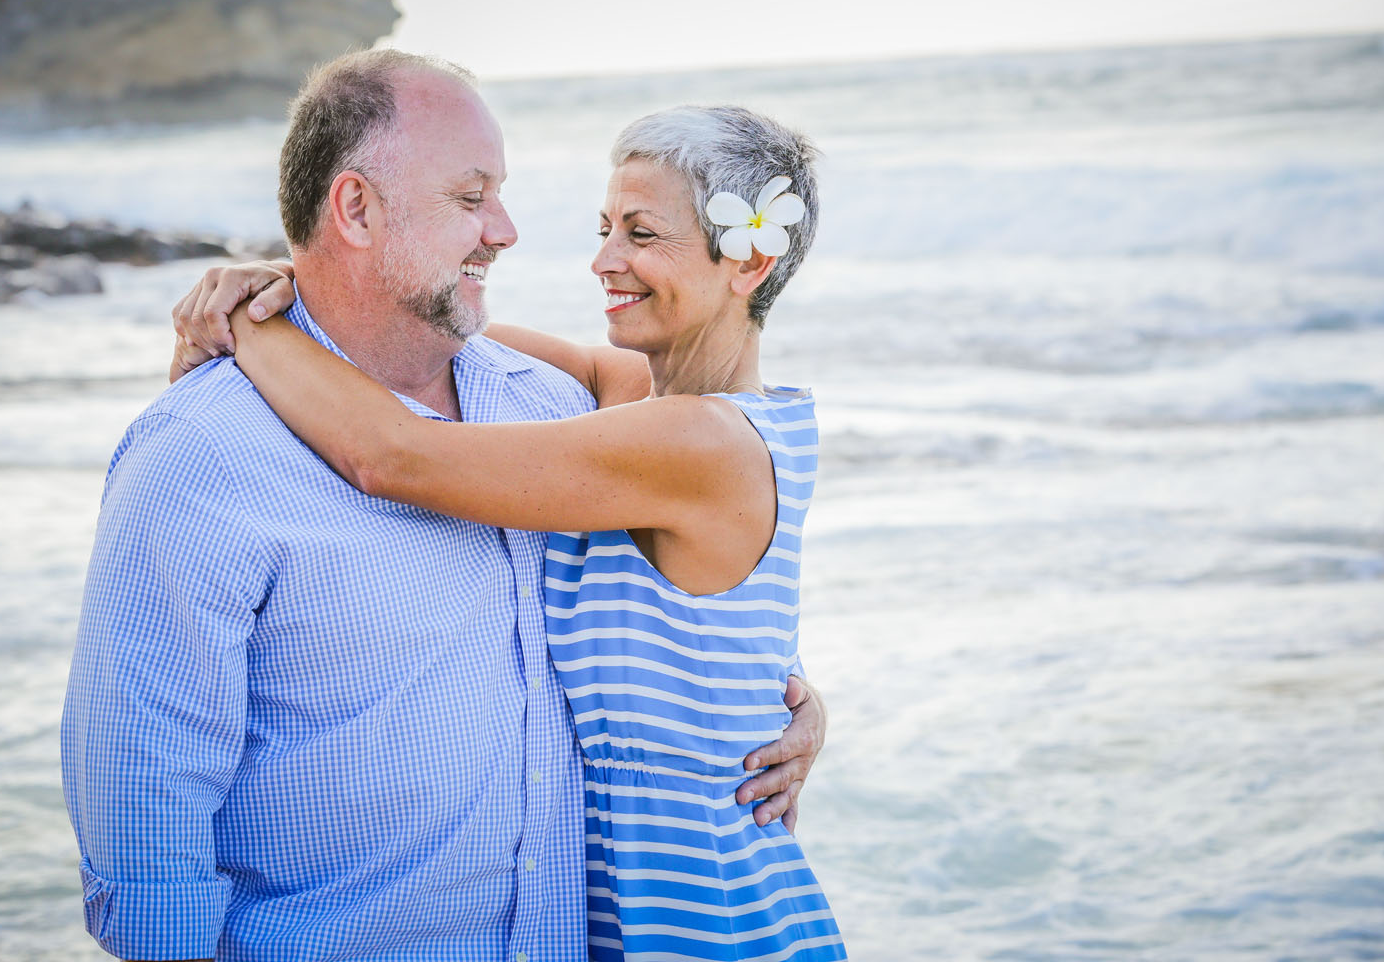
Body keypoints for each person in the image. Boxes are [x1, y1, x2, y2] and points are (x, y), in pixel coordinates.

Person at [62, 49, 823, 962]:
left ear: (750, 262)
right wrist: (296, 283)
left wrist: (263, 319)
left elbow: (393, 455)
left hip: (708, 930)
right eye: (471, 199)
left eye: (640, 235)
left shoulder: (656, 435)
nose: (584, 256)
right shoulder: (608, 400)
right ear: (354, 208)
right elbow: (143, 786)